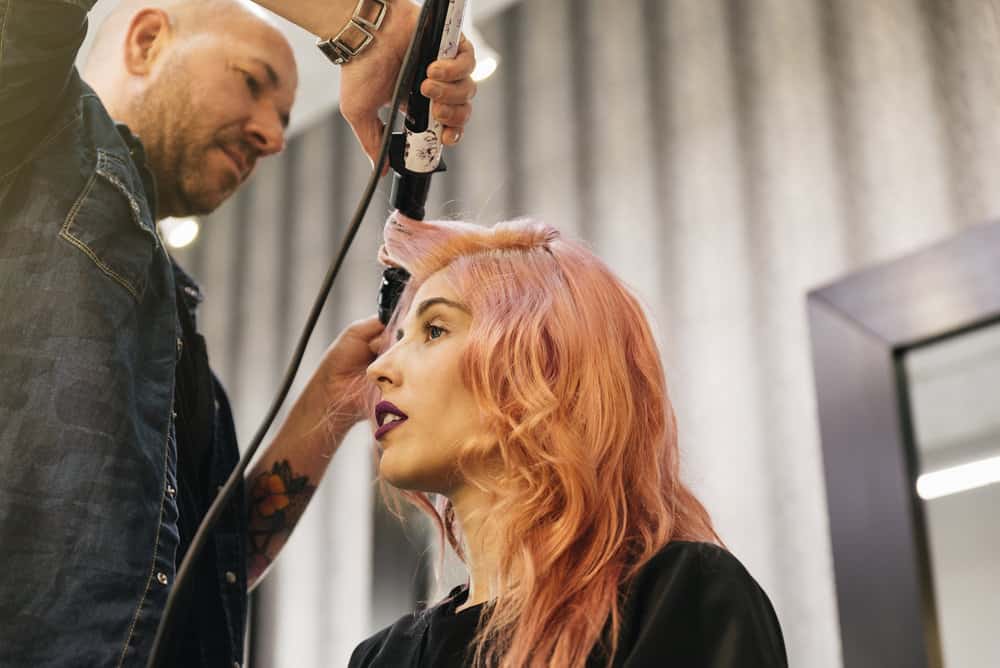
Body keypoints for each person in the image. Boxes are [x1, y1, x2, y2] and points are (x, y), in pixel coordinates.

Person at [0, 1, 476, 666]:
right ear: (145, 41)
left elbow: (208, 563)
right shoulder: (23, 129)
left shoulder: (170, 339)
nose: (273, 139)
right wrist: (361, 25)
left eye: (283, 120)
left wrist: (324, 409)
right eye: (252, 81)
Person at [348, 215, 789, 667]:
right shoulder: (379, 659)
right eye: (398, 339)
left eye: (435, 330)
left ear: (539, 368)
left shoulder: (677, 600)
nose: (378, 369)